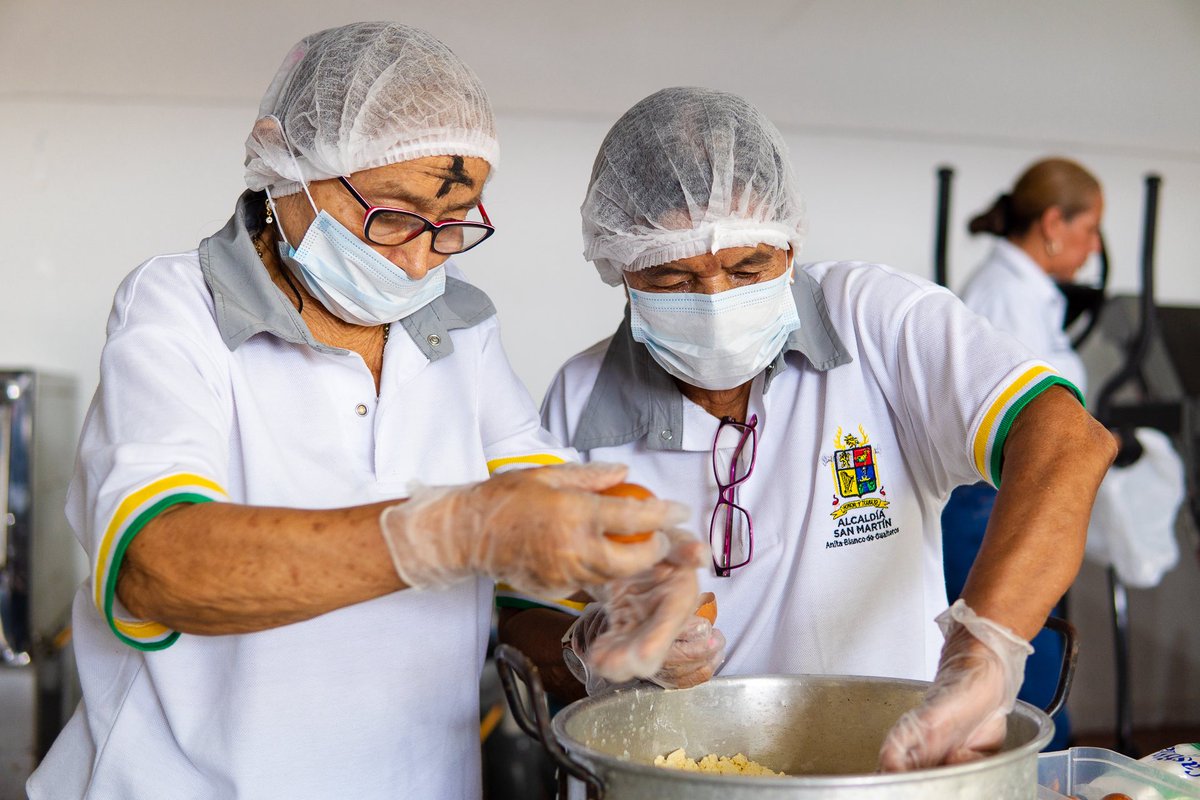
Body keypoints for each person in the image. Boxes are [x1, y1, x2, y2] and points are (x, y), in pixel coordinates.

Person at [28, 24, 693, 800]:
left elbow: (538, 537)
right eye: (395, 213)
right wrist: (451, 529)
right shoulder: (180, 307)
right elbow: (156, 567)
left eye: (454, 225)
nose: (418, 260)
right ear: (287, 166)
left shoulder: (462, 327)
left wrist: (627, 597)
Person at [498, 87, 1116, 771]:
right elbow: (521, 620)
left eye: (748, 268)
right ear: (619, 266)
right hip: (684, 778)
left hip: (890, 767)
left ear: (790, 244)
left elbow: (1067, 442)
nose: (715, 303)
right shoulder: (582, 401)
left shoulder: (873, 323)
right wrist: (590, 648)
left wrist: (984, 651)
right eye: (674, 276)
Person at [943, 158, 1104, 749]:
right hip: (989, 503)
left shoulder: (1029, 293)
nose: (1092, 248)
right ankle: (1028, 777)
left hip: (1016, 496)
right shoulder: (1003, 294)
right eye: (1090, 229)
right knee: (1014, 659)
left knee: (1034, 653)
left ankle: (1041, 769)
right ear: (1053, 223)